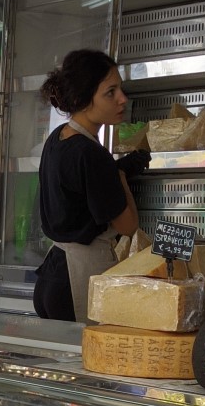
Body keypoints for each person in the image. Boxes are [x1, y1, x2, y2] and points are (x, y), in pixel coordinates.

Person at [32, 49, 141, 322]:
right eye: (110, 92)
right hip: (77, 280)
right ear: (83, 98)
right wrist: (121, 178)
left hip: (52, 275)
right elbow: (128, 227)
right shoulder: (91, 153)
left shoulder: (57, 139)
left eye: (121, 89)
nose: (122, 99)